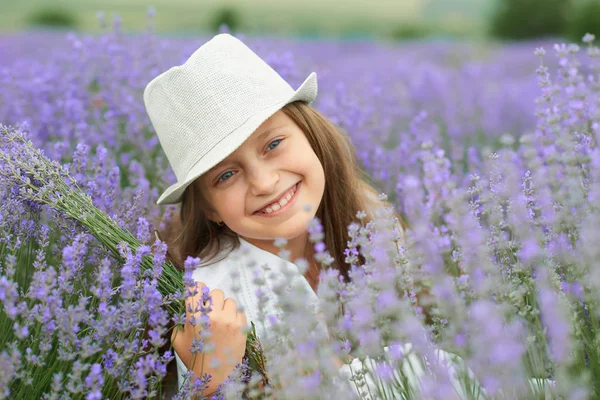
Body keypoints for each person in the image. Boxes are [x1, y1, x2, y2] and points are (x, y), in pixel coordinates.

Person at [143, 33, 404, 397]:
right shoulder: (216, 302)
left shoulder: (371, 222)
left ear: (311, 135)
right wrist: (207, 385)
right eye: (226, 175)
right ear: (210, 209)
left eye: (273, 144)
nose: (264, 183)